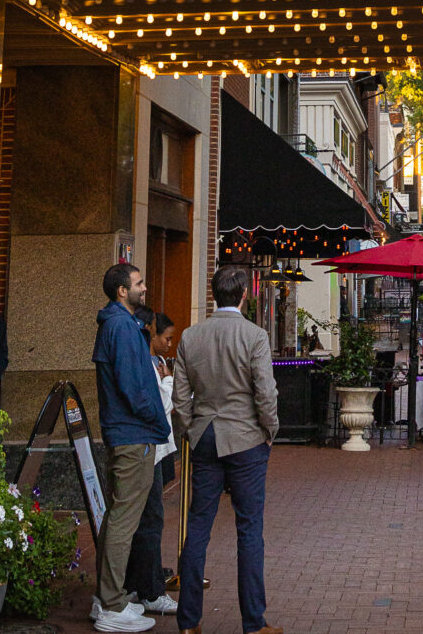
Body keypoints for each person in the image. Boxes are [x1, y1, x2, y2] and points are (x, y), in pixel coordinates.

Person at [172, 265, 281, 634]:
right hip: (246, 438)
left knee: (198, 526)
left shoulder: (191, 336)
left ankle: (188, 621)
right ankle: (253, 621)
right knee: (249, 529)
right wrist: (270, 428)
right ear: (246, 295)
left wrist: (189, 430)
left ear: (214, 294)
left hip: (205, 436)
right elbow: (265, 391)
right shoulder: (254, 336)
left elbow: (180, 396)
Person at [92, 264, 172, 633]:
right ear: (122, 291)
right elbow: (132, 384)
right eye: (139, 283)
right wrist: (153, 419)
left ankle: (109, 597)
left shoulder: (121, 325)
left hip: (129, 431)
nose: (144, 287)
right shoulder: (121, 327)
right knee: (125, 520)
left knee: (118, 516)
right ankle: (111, 604)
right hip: (132, 433)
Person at [123, 312, 178, 617]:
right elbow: (162, 404)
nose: (169, 344)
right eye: (166, 338)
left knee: (147, 517)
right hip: (149, 447)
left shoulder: (151, 362)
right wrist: (169, 380)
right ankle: (150, 589)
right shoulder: (148, 364)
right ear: (151, 334)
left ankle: (140, 580)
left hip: (154, 447)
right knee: (151, 518)